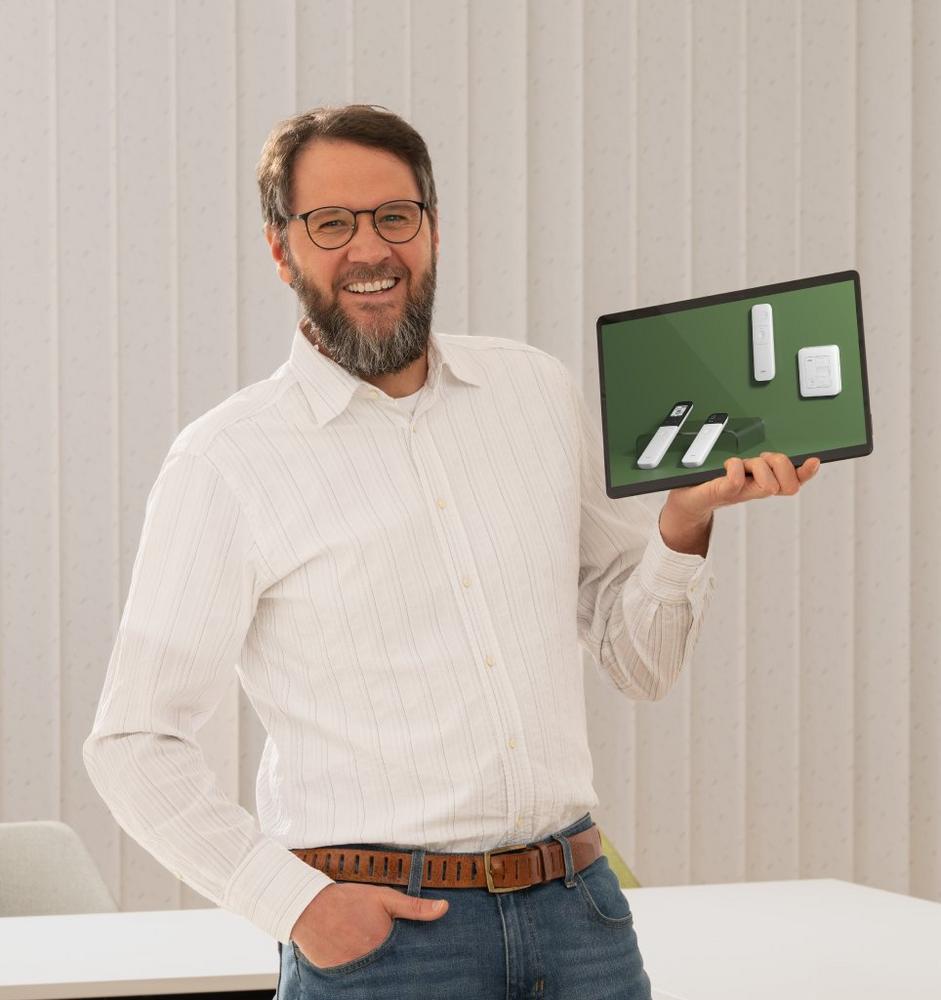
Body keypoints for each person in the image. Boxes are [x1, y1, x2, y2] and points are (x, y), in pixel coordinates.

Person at [83, 104, 821, 999]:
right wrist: (295, 906)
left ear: (433, 230)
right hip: (385, 947)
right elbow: (133, 741)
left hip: (581, 921)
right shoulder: (226, 461)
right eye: (331, 223)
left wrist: (683, 525)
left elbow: (641, 665)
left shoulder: (535, 393)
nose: (371, 249)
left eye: (395, 216)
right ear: (282, 250)